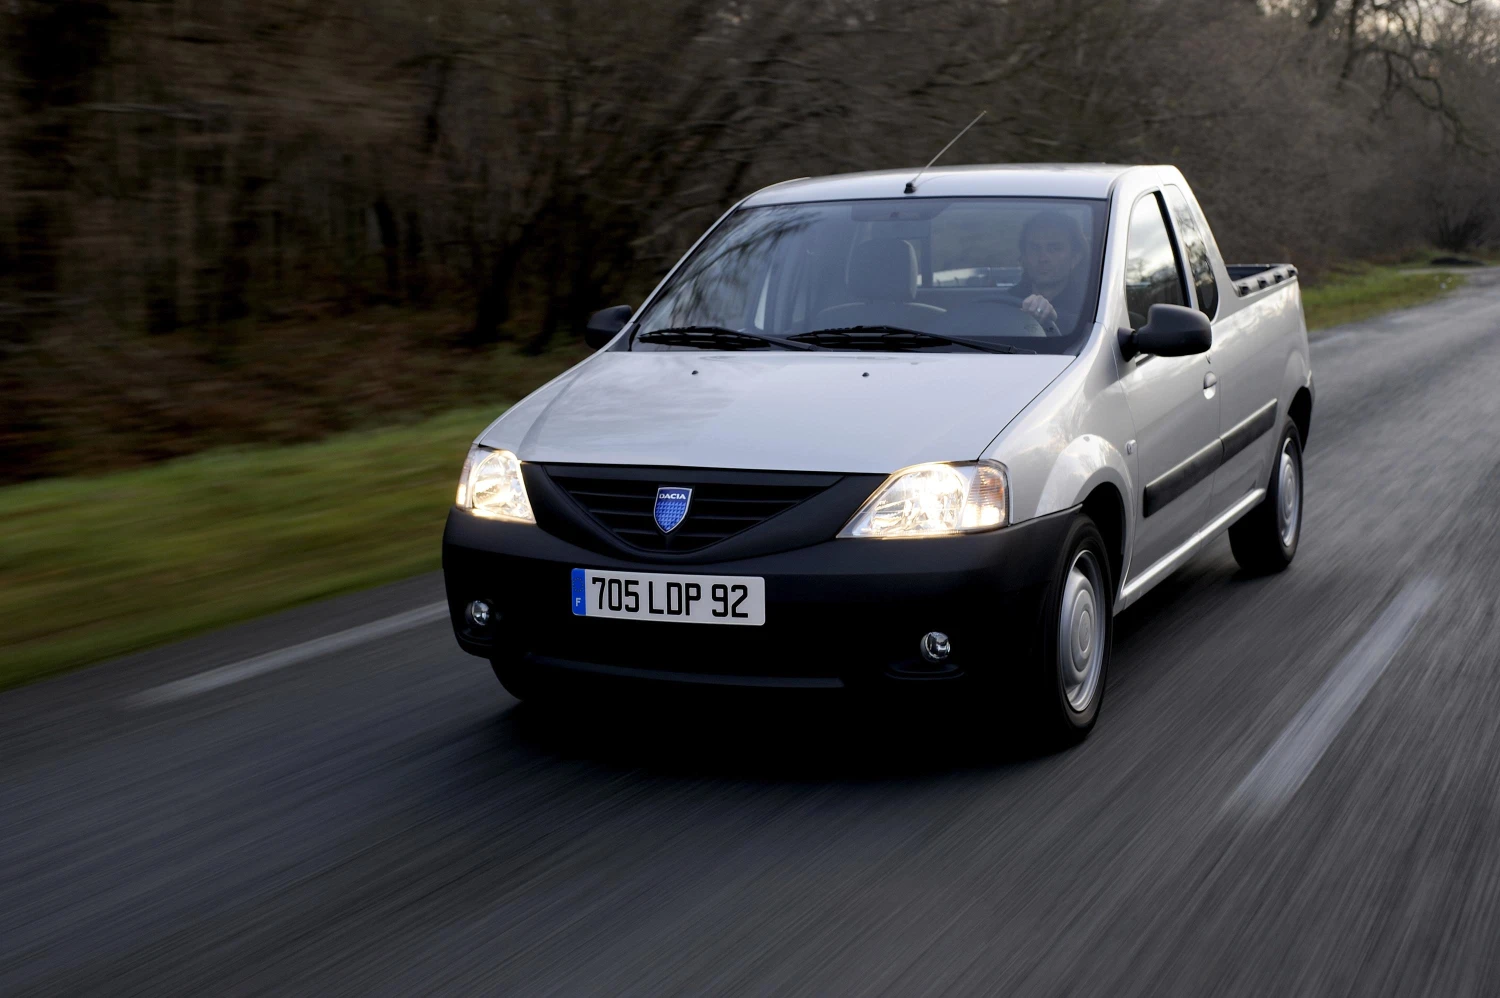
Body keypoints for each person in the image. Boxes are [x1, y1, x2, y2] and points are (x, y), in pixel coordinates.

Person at [1011, 210, 1089, 333]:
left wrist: (1055, 320)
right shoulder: (1004, 304)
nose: (1043, 258)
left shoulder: (1092, 307)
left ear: (1075, 258)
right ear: (1024, 257)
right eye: (1035, 248)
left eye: (1055, 248)